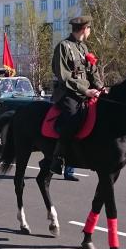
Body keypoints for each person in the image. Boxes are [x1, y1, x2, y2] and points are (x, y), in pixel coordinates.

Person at [50, 15, 101, 178]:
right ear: (84, 29)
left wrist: (101, 87)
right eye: (89, 28)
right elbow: (63, 76)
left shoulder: (84, 48)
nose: (90, 31)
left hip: (86, 92)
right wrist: (85, 91)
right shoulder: (63, 46)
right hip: (68, 93)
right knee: (72, 119)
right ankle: (57, 159)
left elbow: (92, 71)